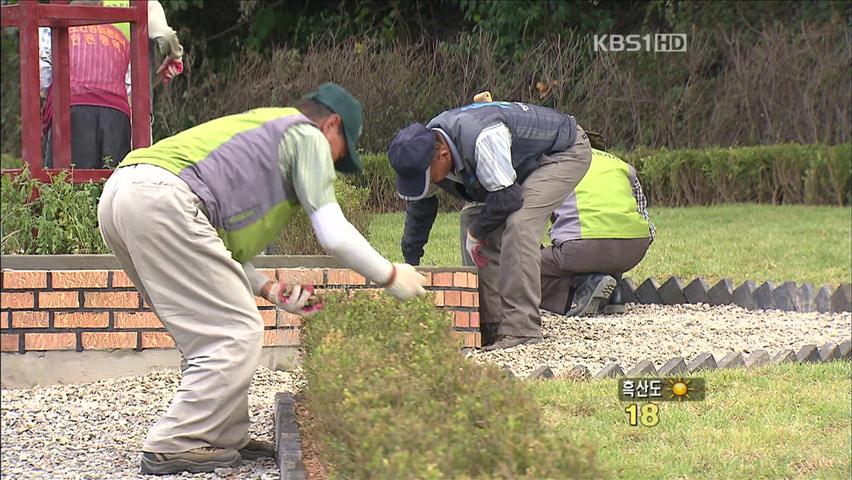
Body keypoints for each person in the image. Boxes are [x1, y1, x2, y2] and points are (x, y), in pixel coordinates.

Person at [97, 83, 427, 474]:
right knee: (236, 331)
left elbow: (219, 249)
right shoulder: (306, 136)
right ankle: (174, 443)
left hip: (124, 193)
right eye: (342, 154)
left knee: (209, 331)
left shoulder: (262, 137)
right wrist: (390, 275)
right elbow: (333, 233)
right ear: (331, 126)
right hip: (159, 200)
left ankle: (222, 435)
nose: (336, 165)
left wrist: (272, 289)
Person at [389, 100, 604, 351]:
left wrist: (477, 232)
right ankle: (492, 323)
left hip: (562, 153)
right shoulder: (421, 150)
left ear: (443, 156)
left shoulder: (482, 138)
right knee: (471, 218)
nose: (422, 184)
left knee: (520, 223)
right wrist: (410, 264)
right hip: (518, 166)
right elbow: (420, 210)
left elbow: (508, 199)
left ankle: (522, 328)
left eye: (425, 178)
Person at [39, 0, 183, 168]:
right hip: (123, 108)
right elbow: (165, 36)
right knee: (121, 180)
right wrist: (175, 55)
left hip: (69, 105)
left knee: (62, 181)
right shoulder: (143, 4)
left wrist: (45, 98)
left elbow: (43, 69)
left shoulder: (64, 14)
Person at [539, 148, 655, 317]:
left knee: (522, 266)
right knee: (592, 246)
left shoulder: (556, 163)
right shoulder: (621, 165)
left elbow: (531, 221)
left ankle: (583, 287)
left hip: (581, 249)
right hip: (634, 248)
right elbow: (648, 226)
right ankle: (614, 290)